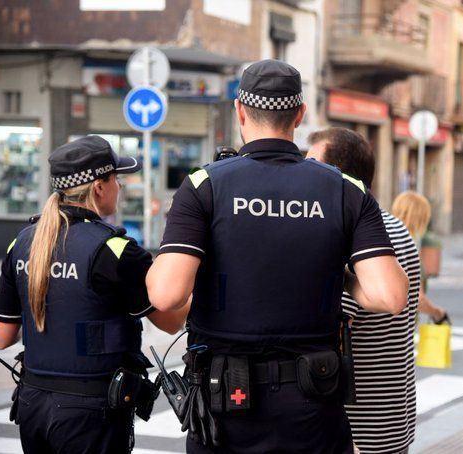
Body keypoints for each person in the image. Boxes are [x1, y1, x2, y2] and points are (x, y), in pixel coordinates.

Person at [146, 59, 409, 453]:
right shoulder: (346, 191)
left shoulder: (204, 186)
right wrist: (335, 269)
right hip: (313, 406)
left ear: (239, 111)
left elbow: (166, 296)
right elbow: (390, 297)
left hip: (226, 407)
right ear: (299, 114)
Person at [0, 136, 190, 454]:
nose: (120, 188)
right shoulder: (115, 251)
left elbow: (1, 337)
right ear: (100, 186)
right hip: (92, 414)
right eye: (117, 179)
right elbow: (170, 320)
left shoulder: (22, 244)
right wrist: (191, 280)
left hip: (33, 404)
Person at [307, 127, 420, 454]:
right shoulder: (392, 226)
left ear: (335, 177)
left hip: (359, 429)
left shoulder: (362, 239)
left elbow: (328, 324)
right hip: (389, 418)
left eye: (311, 165)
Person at [391, 191, 448, 323]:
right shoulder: (408, 247)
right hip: (399, 330)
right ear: (421, 218)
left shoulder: (383, 237)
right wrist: (438, 313)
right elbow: (418, 299)